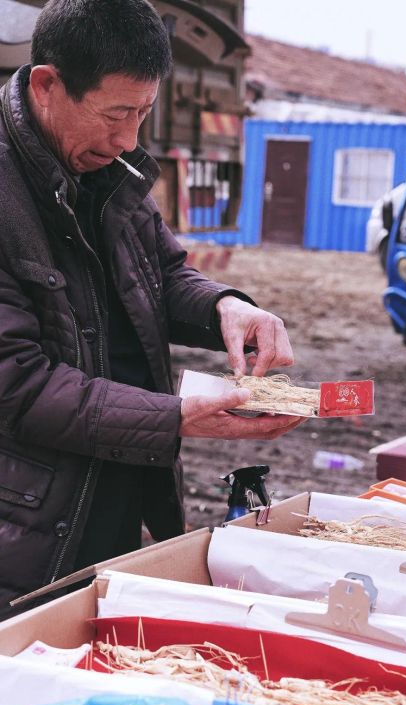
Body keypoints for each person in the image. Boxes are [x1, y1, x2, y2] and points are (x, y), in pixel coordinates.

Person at [0, 0, 301, 619]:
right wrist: (177, 419)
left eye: (143, 112)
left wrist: (227, 306)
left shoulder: (113, 168)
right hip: (24, 524)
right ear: (47, 84)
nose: (128, 138)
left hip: (115, 487)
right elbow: (18, 383)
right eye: (115, 114)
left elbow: (160, 274)